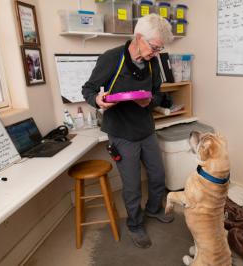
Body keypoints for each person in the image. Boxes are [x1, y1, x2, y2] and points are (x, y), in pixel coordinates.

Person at [82, 14, 174, 249]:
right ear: (139, 37)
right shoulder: (111, 58)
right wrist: (98, 100)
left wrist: (150, 101)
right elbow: (89, 89)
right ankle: (134, 224)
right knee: (132, 185)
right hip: (121, 133)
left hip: (146, 128)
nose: (156, 52)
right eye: (154, 47)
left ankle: (153, 210)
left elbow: (157, 94)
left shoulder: (153, 63)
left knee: (157, 175)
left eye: (160, 48)